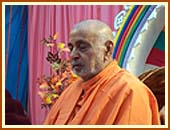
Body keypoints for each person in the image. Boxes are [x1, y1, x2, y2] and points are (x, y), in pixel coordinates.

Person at [44, 19, 160, 125]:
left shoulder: (130, 90)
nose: (73, 55)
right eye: (71, 48)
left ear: (108, 49)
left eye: (82, 47)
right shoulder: (70, 91)